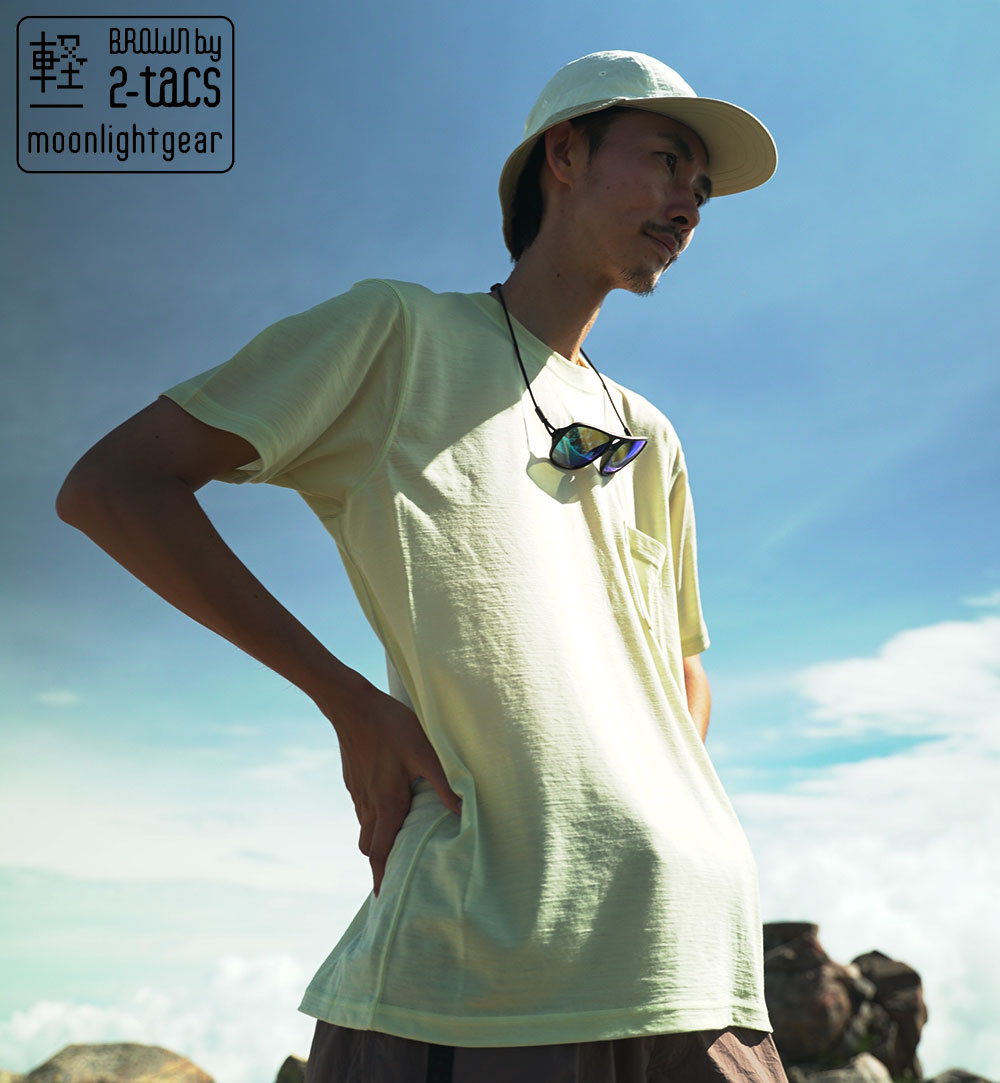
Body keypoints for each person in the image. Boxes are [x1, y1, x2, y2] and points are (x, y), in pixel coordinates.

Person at [57, 49, 786, 1083]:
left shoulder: (650, 435)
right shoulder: (398, 334)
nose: (688, 206)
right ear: (563, 155)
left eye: (702, 191)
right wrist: (348, 700)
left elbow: (682, 672)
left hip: (698, 961)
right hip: (484, 969)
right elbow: (114, 486)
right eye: (668, 161)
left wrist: (642, 801)